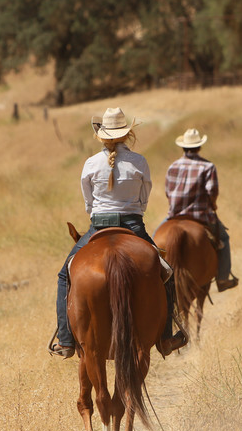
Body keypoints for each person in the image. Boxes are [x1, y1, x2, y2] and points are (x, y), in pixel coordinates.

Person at [48, 107, 187, 359]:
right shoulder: (140, 161)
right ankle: (166, 338)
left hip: (98, 226)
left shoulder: (90, 163)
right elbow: (143, 200)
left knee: (63, 276)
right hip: (133, 226)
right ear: (126, 134)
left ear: (101, 135)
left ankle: (66, 340)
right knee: (165, 271)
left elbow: (89, 204)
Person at [164, 128, 239, 292]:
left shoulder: (173, 166)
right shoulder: (208, 166)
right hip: (200, 216)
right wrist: (213, 204)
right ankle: (223, 279)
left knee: (156, 242)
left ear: (183, 147)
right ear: (199, 147)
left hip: (174, 216)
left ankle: (158, 280)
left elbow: (168, 191)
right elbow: (212, 191)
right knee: (224, 239)